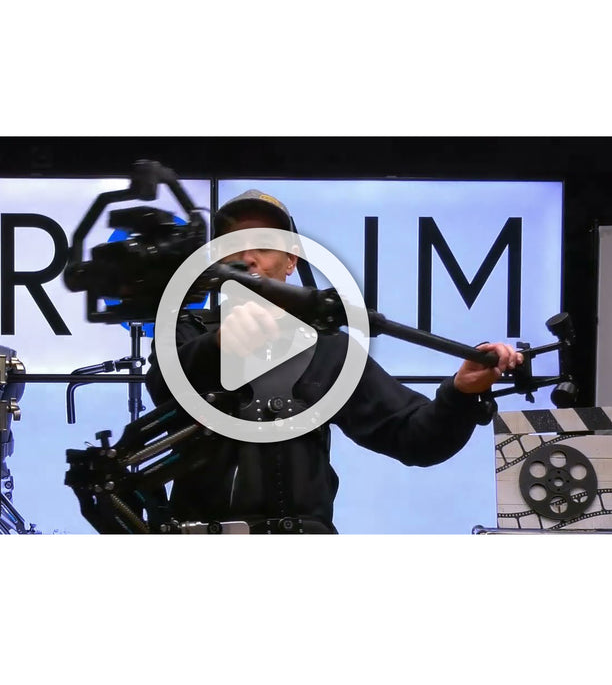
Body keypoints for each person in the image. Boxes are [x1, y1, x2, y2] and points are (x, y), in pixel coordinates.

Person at [144, 189, 522, 534]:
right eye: (234, 245)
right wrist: (220, 346)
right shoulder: (188, 332)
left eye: (265, 245)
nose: (248, 258)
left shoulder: (328, 349)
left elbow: (415, 438)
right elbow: (164, 388)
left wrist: (460, 392)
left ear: (291, 260)